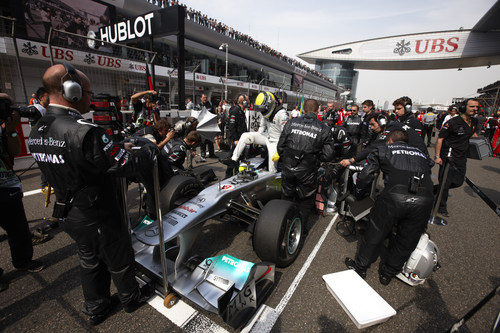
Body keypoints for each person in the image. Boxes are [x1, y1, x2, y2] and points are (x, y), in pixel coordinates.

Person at [28, 64, 155, 325]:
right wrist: (147, 150)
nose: (91, 97)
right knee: (117, 256)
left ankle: (96, 308)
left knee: (89, 259)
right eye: (87, 91)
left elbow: (82, 157)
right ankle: (131, 299)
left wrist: (116, 146)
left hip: (68, 211)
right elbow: (123, 164)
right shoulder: (84, 130)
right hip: (98, 212)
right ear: (71, 92)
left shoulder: (38, 127)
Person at [345, 130, 434, 285]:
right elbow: (429, 170)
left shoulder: (384, 149)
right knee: (407, 239)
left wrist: (359, 192)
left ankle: (360, 268)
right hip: (424, 199)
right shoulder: (421, 153)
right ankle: (388, 274)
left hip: (394, 198)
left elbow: (367, 174)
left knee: (375, 232)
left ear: (390, 141)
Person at [0, 93, 45, 291]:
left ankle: (23, 261)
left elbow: (15, 152)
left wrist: (10, 130)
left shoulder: (5, 127)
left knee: (18, 228)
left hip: (8, 186)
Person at [277, 99, 335, 228]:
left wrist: (288, 160)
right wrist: (315, 161)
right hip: (308, 171)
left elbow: (280, 147)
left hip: (288, 167)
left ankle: (281, 225)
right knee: (305, 200)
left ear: (303, 110)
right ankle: (301, 229)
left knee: (286, 196)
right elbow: (328, 155)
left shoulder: (291, 123)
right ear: (318, 111)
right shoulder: (324, 128)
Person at [221, 91, 289, 173]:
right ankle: (234, 160)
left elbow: (286, 134)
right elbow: (262, 126)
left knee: (272, 167)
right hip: (267, 136)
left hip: (276, 141)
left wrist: (280, 149)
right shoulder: (266, 112)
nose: (261, 111)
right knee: (245, 136)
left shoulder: (282, 114)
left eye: (263, 109)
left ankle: (271, 182)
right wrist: (256, 139)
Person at [434, 98, 479, 217]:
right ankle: (440, 207)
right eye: (472, 106)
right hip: (448, 157)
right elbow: (440, 139)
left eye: (476, 107)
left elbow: (472, 135)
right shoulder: (453, 122)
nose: (475, 109)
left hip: (462, 157)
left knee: (458, 182)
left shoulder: (474, 122)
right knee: (445, 183)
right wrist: (437, 156)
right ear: (464, 108)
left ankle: (434, 190)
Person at [224, 95, 249, 174]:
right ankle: (228, 177)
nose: (248, 102)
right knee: (232, 158)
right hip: (236, 139)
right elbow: (231, 126)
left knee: (238, 158)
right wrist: (235, 139)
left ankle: (236, 175)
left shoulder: (241, 111)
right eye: (247, 100)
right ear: (244, 102)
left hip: (240, 138)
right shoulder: (235, 110)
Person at [197, 94, 217, 161]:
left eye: (205, 97)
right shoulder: (198, 106)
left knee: (210, 140)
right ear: (201, 98)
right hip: (202, 126)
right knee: (203, 142)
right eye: (203, 98)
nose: (205, 99)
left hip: (209, 126)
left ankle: (212, 154)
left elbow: (214, 114)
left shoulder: (209, 105)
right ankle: (203, 155)